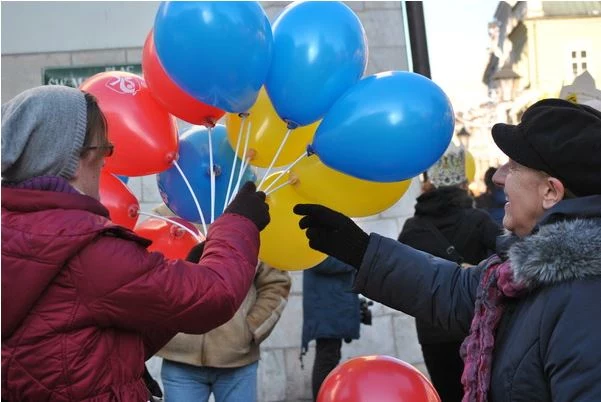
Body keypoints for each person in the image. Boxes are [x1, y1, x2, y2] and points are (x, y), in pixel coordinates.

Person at [294, 98, 601, 401]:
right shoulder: (520, 271)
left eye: (514, 165)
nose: (498, 176)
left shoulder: (584, 301)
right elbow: (455, 290)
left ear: (550, 191)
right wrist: (360, 249)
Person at [1, 85, 270, 401]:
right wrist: (240, 223)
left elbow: (89, 338)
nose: (106, 162)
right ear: (70, 160)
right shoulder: (86, 251)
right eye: (104, 148)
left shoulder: (16, 234)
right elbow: (216, 296)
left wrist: (180, 281)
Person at [398, 142, 500, 402]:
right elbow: (510, 258)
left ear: (427, 183)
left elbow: (403, 281)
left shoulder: (412, 230)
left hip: (432, 329)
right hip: (475, 325)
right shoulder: (479, 221)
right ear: (463, 183)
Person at [156, 237, 291, 402]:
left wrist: (251, 329)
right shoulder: (168, 218)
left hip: (236, 359)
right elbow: (152, 277)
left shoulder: (252, 221)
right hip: (180, 357)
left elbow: (276, 284)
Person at [301, 256, 369, 401]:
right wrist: (354, 258)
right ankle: (323, 398)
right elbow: (317, 261)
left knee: (330, 356)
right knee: (327, 358)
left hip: (331, 303)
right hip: (327, 305)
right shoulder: (314, 236)